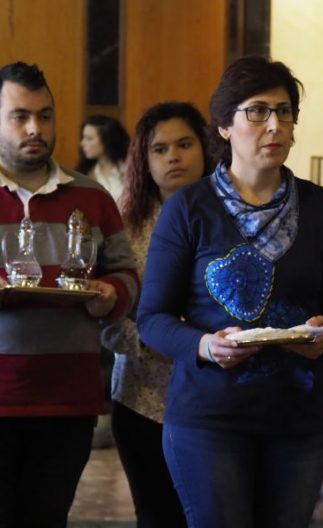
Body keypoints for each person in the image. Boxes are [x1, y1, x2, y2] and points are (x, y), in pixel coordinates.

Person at [136, 56, 323, 528]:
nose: (274, 125)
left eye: (285, 112)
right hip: (209, 418)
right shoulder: (189, 208)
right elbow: (153, 319)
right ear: (224, 125)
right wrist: (205, 345)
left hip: (299, 418)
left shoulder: (320, 206)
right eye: (257, 111)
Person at [0, 61, 138, 527]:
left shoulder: (92, 197)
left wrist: (109, 294)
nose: (35, 128)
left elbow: (126, 274)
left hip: (68, 399)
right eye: (19, 116)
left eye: (45, 115)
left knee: (46, 518)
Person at [105, 102, 210, 528]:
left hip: (215, 397)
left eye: (184, 144)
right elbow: (104, 317)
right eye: (160, 149)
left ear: (204, 148)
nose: (173, 157)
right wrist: (154, 341)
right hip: (142, 397)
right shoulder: (125, 226)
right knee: (157, 517)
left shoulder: (232, 218)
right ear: (144, 162)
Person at [76, 114, 130, 203]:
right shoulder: (85, 174)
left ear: (107, 140)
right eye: (83, 138)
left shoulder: (129, 170)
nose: (82, 143)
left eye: (89, 139)